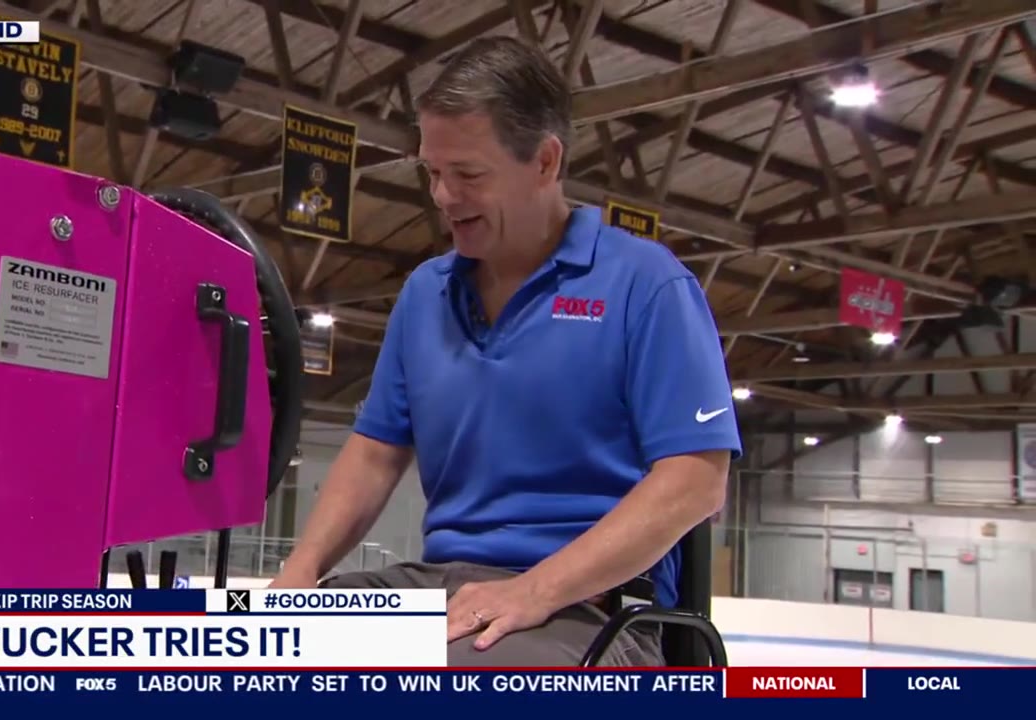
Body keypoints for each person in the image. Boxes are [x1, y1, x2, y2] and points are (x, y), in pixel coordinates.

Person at [269, 35, 741, 667]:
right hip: (441, 589)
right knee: (246, 650)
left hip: (589, 606)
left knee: (450, 673)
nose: (441, 195)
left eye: (467, 174)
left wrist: (534, 591)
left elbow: (695, 483)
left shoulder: (645, 285)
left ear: (545, 162)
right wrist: (299, 573)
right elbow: (377, 452)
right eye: (432, 173)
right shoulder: (424, 293)